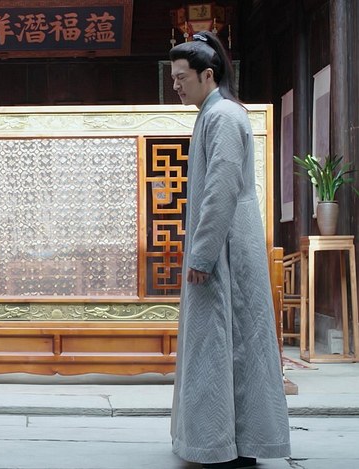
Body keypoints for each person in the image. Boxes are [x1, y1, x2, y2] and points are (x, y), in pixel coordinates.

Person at [168, 31, 291, 469]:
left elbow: (220, 189)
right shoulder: (215, 112)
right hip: (227, 243)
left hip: (226, 250)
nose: (176, 85)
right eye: (173, 78)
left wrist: (202, 254)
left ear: (208, 75)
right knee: (230, 342)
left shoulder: (221, 116)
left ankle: (226, 445)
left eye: (182, 77)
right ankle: (229, 442)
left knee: (223, 343)